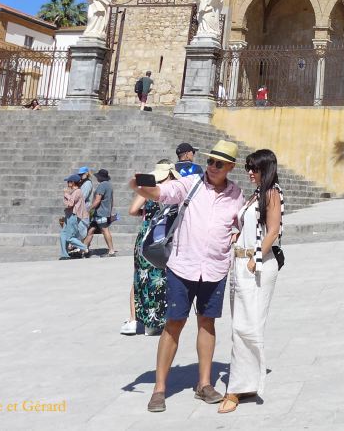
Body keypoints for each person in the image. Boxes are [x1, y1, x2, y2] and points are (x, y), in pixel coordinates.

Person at [132, 140, 244, 413]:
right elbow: (161, 193)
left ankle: (204, 384)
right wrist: (142, 186)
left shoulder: (236, 194)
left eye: (220, 163)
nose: (213, 167)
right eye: (210, 161)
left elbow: (240, 222)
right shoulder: (190, 183)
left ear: (230, 167)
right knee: (174, 323)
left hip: (216, 268)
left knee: (207, 324)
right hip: (183, 267)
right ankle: (160, 389)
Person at [220, 149, 284, 414]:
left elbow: (274, 229)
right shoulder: (256, 194)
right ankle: (245, 380)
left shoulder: (271, 193)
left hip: (256, 266)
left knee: (247, 326)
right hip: (241, 264)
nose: (250, 172)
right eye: (248, 168)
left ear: (265, 169)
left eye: (254, 168)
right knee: (240, 324)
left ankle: (236, 388)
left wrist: (254, 258)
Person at [122, 160, 177, 337]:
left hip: (146, 235)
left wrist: (145, 213)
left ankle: (134, 319)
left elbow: (132, 210)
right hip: (164, 236)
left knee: (139, 276)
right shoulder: (176, 189)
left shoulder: (149, 188)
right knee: (161, 277)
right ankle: (156, 321)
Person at [83, 168, 117, 256]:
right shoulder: (109, 185)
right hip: (103, 212)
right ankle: (84, 249)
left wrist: (89, 209)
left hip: (100, 212)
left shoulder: (102, 186)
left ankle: (111, 250)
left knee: (105, 230)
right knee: (90, 230)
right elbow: (111, 200)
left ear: (101, 177)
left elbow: (97, 200)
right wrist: (110, 211)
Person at [58, 173, 90, 259]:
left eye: (68, 181)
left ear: (73, 182)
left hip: (73, 216)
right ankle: (64, 254)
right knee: (62, 235)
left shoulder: (78, 191)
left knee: (69, 237)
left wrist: (66, 194)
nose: (67, 183)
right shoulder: (73, 192)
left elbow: (70, 204)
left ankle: (84, 247)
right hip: (68, 216)